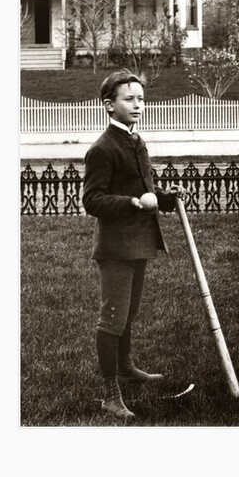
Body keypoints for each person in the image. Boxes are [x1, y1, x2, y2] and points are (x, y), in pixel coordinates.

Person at [82, 69, 184, 420]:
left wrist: (166, 198)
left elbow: (146, 189)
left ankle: (126, 368)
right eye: (130, 99)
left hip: (140, 241)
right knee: (112, 319)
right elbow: (92, 200)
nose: (138, 105)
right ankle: (111, 395)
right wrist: (133, 203)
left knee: (128, 315)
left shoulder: (136, 141)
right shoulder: (102, 149)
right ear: (109, 106)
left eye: (141, 98)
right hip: (116, 247)